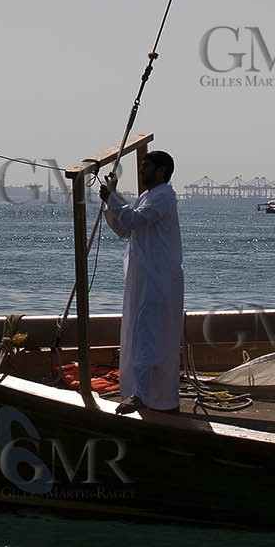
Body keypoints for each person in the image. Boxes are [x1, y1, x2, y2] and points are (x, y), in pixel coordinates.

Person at [99, 149, 184, 414]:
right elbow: (124, 226)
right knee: (138, 333)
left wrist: (113, 198)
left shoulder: (164, 197)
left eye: (146, 166)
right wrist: (111, 197)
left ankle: (144, 395)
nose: (141, 170)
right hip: (143, 277)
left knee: (150, 335)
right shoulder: (149, 196)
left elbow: (134, 219)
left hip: (158, 279)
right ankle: (139, 391)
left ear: (161, 171)